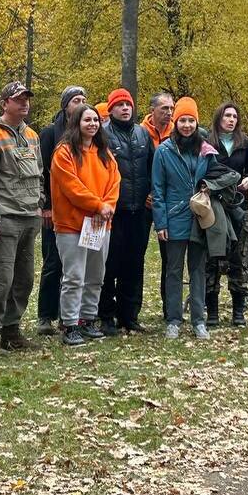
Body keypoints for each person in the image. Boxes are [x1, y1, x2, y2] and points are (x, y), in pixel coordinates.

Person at [0, 81, 43, 356]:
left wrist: (40, 204)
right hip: (5, 217)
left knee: (24, 279)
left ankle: (11, 331)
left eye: (26, 98)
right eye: (18, 99)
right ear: (4, 103)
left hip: (29, 216)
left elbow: (39, 173)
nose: (24, 103)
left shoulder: (33, 135)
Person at [51, 105, 120, 346]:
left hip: (100, 223)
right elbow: (72, 187)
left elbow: (115, 181)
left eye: (95, 120)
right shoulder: (64, 152)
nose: (92, 124)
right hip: (72, 224)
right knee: (74, 276)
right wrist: (97, 205)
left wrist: (106, 206)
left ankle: (88, 319)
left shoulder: (104, 152)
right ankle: (70, 323)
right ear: (76, 123)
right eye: (86, 120)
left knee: (95, 275)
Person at [151, 97, 216, 340]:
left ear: (197, 122)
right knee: (173, 270)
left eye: (191, 120)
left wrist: (210, 187)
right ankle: (174, 319)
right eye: (182, 120)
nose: (187, 125)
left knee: (198, 269)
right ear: (175, 122)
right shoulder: (164, 151)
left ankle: (199, 320)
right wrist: (161, 223)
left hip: (199, 218)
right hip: (174, 216)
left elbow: (216, 176)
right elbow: (157, 189)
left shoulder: (206, 150)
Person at [97, 88, 153, 335]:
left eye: (128, 104)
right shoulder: (103, 135)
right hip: (114, 212)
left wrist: (152, 194)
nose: (125, 109)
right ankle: (106, 316)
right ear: (110, 110)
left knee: (134, 264)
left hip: (139, 210)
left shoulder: (143, 133)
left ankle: (129, 315)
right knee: (110, 265)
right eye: (119, 105)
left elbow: (152, 167)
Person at [204, 102, 248, 328]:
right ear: (219, 118)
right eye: (227, 115)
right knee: (212, 260)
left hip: (239, 208)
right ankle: (212, 313)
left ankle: (239, 312)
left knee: (239, 259)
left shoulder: (244, 143)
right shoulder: (208, 143)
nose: (231, 119)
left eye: (234, 116)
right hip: (214, 208)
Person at [37, 86, 88, 336]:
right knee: (53, 263)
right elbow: (42, 173)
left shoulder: (88, 133)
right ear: (65, 105)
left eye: (83, 100)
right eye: (75, 100)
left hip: (82, 212)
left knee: (77, 267)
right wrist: (45, 205)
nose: (79, 103)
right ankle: (46, 315)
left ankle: (72, 315)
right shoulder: (49, 134)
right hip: (54, 210)